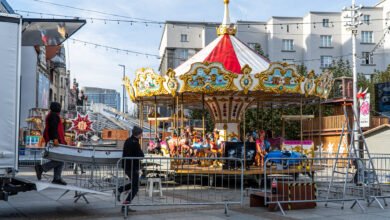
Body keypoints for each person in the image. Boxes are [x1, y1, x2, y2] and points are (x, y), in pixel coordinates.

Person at [34, 102, 67, 185]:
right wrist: (55, 139)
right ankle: (41, 168)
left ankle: (57, 178)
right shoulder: (54, 116)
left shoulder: (52, 115)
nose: (60, 108)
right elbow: (53, 128)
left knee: (59, 159)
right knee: (60, 159)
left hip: (55, 140)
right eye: (59, 106)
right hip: (55, 141)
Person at [117, 126, 144, 212]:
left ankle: (120, 190)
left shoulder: (128, 140)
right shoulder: (135, 143)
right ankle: (125, 206)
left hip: (127, 166)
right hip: (132, 166)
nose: (142, 135)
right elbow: (141, 155)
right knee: (135, 187)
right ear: (138, 134)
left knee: (135, 184)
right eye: (141, 133)